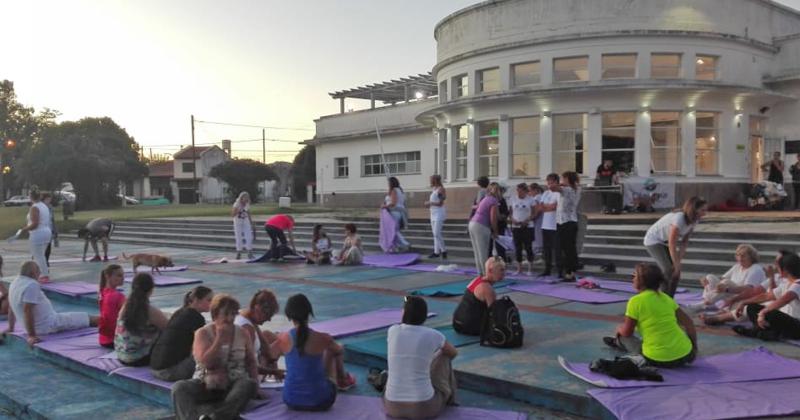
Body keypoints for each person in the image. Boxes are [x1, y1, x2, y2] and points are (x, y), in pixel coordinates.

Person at [171, 294, 260, 420]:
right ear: (215, 315)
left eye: (233, 314)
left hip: (234, 382)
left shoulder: (242, 333)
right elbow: (205, 362)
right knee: (179, 388)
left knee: (248, 384)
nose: (230, 318)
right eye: (226, 314)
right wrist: (219, 339)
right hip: (205, 383)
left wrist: (257, 386)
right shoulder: (202, 333)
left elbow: (251, 362)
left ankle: (214, 418)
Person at [272, 294, 357, 411]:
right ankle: (343, 380)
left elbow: (270, 355)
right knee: (333, 350)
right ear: (309, 312)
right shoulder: (323, 338)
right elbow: (339, 351)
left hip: (291, 400)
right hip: (321, 401)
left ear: (289, 315)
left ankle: (342, 380)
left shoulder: (283, 338)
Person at [603, 263, 697, 368]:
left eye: (634, 276)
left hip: (657, 360)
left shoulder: (635, 301)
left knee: (623, 337)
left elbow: (627, 332)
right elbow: (689, 323)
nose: (632, 279)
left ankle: (618, 342)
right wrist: (694, 348)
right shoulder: (666, 298)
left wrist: (619, 329)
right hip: (686, 355)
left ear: (642, 281)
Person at [384, 296, 458, 419]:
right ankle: (450, 396)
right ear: (424, 315)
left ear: (404, 313)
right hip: (423, 407)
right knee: (444, 355)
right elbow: (453, 353)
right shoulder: (433, 335)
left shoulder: (392, 330)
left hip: (392, 407)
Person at [3, 261, 99, 346]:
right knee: (93, 319)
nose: (40, 273)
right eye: (38, 271)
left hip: (44, 323)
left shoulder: (14, 283)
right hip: (49, 325)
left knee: (79, 317)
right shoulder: (31, 285)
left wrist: (11, 327)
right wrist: (31, 335)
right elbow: (27, 310)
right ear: (33, 273)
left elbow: (11, 306)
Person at [643, 196, 708, 296]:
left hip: (665, 242)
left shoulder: (694, 221)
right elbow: (672, 243)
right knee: (669, 270)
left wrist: (678, 262)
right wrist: (675, 264)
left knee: (676, 273)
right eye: (702, 210)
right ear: (694, 209)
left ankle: (669, 299)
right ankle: (661, 297)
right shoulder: (679, 218)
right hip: (654, 240)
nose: (705, 213)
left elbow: (684, 242)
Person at [150, 286, 213, 381]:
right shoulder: (196, 318)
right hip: (169, 372)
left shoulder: (179, 312)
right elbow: (201, 348)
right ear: (196, 300)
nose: (212, 303)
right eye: (209, 300)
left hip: (155, 368)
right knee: (209, 356)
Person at [733, 252, 800, 341]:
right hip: (788, 322)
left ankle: (758, 332)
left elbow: (784, 300)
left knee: (771, 312)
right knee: (751, 307)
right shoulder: (787, 283)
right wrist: (744, 302)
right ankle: (765, 332)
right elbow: (766, 296)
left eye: (778, 267)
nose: (776, 268)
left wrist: (763, 312)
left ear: (785, 270)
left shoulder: (798, 284)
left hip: (797, 325)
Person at [694, 244, 766, 324]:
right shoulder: (737, 266)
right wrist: (706, 281)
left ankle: (705, 304)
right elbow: (721, 279)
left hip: (744, 297)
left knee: (726, 283)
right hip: (730, 294)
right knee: (710, 277)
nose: (740, 258)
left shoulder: (756, 269)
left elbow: (749, 289)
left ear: (751, 257)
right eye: (738, 255)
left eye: (743, 256)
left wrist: (727, 289)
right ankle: (708, 302)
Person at [114, 273, 169, 366]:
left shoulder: (126, 307)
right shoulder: (149, 310)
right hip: (139, 359)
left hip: (121, 355)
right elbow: (169, 328)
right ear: (151, 290)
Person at [453, 257, 506, 336]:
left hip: (456, 322)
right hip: (468, 326)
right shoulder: (488, 290)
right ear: (490, 270)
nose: (504, 273)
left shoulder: (476, 280)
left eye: (504, 269)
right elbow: (494, 314)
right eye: (501, 270)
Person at [234, 290, 281, 374]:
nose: (269, 320)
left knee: (268, 335)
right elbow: (248, 365)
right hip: (249, 376)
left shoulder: (243, 315)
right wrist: (272, 372)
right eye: (268, 315)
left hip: (248, 368)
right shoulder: (247, 328)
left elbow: (265, 347)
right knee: (283, 342)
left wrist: (272, 361)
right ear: (257, 309)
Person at [18, 189, 52, 283]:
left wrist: (24, 229)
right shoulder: (44, 206)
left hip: (38, 233)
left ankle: (44, 275)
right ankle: (41, 274)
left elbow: (35, 224)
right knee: (41, 255)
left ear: (30, 197)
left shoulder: (35, 207)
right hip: (46, 231)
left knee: (38, 255)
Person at [468, 183, 500, 276]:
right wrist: (495, 231)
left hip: (473, 223)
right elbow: (493, 218)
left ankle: (480, 273)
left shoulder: (485, 198)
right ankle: (486, 274)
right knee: (483, 251)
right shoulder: (493, 200)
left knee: (477, 251)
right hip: (481, 225)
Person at [556, 171, 581, 282]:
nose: (562, 180)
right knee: (566, 248)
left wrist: (555, 183)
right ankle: (569, 272)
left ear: (568, 179)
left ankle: (570, 273)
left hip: (568, 222)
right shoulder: (570, 189)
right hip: (562, 222)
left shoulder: (569, 189)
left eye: (563, 178)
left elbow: (556, 188)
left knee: (569, 249)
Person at [538, 174, 561, 277]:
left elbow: (555, 207)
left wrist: (547, 207)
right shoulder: (546, 193)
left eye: (552, 182)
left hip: (555, 225)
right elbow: (540, 207)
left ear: (557, 182)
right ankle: (547, 269)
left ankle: (560, 270)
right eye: (548, 182)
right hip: (545, 225)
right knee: (546, 249)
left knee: (557, 249)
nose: (550, 185)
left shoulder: (559, 193)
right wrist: (547, 207)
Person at [510, 183, 536, 275]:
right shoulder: (513, 199)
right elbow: (510, 212)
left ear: (525, 191)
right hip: (516, 226)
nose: (518, 192)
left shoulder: (531, 200)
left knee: (528, 247)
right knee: (518, 248)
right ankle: (519, 268)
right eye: (517, 190)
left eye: (520, 191)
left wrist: (527, 220)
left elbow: (534, 213)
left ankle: (530, 269)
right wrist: (513, 220)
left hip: (528, 226)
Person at [98, 264, 126, 348]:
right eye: (119, 275)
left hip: (103, 339)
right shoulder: (118, 296)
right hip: (115, 340)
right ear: (107, 276)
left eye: (123, 275)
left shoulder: (102, 292)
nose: (123, 278)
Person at [382, 177, 411, 252]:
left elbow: (393, 203)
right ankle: (395, 246)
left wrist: (384, 206)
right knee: (394, 230)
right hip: (399, 212)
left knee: (393, 230)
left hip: (394, 212)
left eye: (388, 183)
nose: (388, 184)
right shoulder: (400, 190)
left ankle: (404, 243)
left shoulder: (394, 190)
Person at [425, 174, 447, 260]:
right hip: (433, 212)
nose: (430, 181)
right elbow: (434, 201)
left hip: (439, 213)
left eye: (431, 179)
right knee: (435, 234)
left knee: (436, 233)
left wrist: (429, 203)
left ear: (435, 180)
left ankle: (444, 251)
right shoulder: (434, 189)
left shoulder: (441, 189)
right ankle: (436, 252)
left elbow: (441, 203)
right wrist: (429, 204)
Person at [231, 191, 255, 260]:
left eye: (247, 198)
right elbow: (232, 214)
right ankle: (239, 253)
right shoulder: (236, 204)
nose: (246, 200)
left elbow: (248, 213)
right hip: (237, 221)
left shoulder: (247, 204)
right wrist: (238, 210)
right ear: (241, 198)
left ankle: (249, 252)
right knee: (238, 236)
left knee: (249, 236)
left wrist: (251, 222)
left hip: (245, 221)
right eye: (245, 198)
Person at [41, 193, 58, 266]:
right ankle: (41, 261)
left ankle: (46, 260)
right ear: (43, 199)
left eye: (50, 199)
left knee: (48, 246)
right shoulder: (40, 207)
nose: (49, 201)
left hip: (49, 229)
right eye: (47, 199)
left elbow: (53, 219)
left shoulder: (50, 207)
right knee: (42, 247)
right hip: (42, 230)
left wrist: (55, 229)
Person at [529, 183, 544, 261]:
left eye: (530, 191)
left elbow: (537, 210)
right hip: (541, 221)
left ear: (535, 190)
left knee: (537, 238)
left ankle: (537, 257)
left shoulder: (537, 198)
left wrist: (530, 218)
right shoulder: (541, 196)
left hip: (538, 221)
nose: (529, 193)